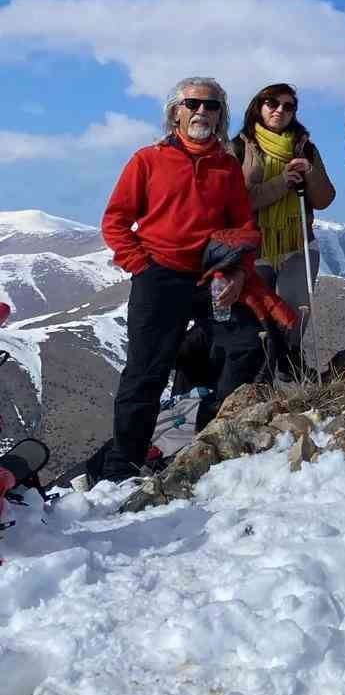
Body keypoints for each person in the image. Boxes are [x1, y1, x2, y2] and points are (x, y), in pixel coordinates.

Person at [90, 78, 295, 484]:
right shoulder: (146, 160)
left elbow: (242, 226)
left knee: (246, 343)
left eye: (212, 106)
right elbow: (114, 221)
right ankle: (122, 468)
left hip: (210, 279)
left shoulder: (226, 167)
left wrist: (236, 271)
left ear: (221, 116)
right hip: (158, 277)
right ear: (176, 112)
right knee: (146, 370)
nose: (202, 111)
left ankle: (209, 433)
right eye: (193, 103)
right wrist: (141, 266)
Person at [232, 83, 336, 367]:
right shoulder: (239, 147)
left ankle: (286, 368)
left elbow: (325, 198)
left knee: (294, 316)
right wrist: (282, 182)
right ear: (259, 106)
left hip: (297, 242)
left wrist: (308, 172)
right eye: (272, 103)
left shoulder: (304, 147)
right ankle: (258, 375)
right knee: (256, 320)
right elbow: (238, 200)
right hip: (255, 246)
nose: (280, 110)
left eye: (288, 106)